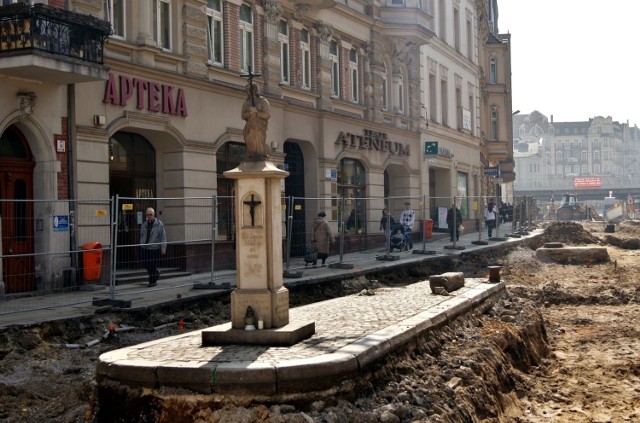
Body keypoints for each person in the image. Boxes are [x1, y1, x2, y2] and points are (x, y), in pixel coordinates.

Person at [242, 82, 272, 160]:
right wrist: (250, 113)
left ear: (255, 90)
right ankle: (251, 153)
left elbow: (267, 114)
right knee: (249, 137)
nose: (250, 91)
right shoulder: (246, 103)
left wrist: (257, 113)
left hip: (259, 126)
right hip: (249, 125)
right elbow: (243, 115)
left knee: (259, 139)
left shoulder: (263, 100)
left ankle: (260, 153)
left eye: (252, 89)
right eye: (248, 90)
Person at [139, 207, 167, 287]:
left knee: (152, 264)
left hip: (155, 248)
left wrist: (163, 248)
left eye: (151, 215)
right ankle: (156, 272)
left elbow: (163, 236)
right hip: (145, 247)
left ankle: (152, 282)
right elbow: (142, 235)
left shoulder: (159, 224)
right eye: (147, 215)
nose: (149, 216)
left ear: (154, 215)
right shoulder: (144, 224)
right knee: (145, 262)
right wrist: (141, 243)